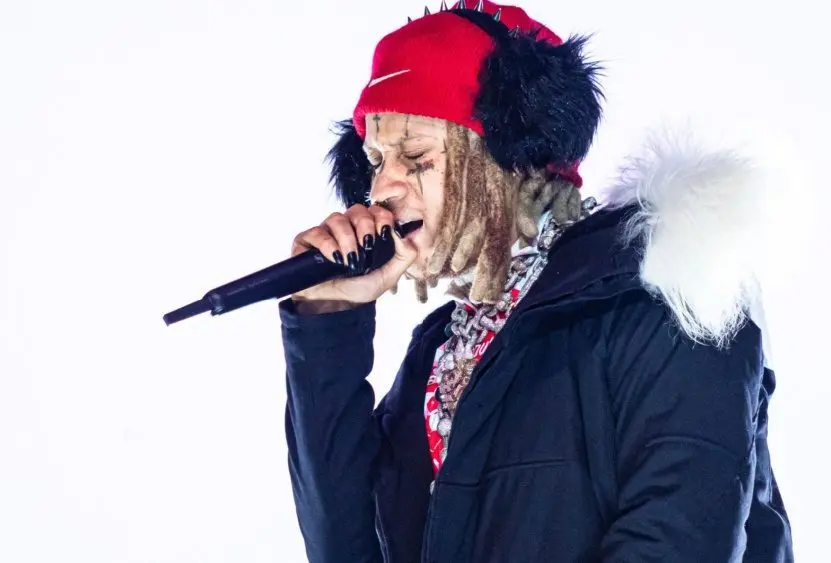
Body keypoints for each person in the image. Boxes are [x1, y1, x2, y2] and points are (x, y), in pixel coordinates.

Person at [278, 1, 794, 561]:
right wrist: (327, 322)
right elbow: (346, 549)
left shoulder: (662, 300)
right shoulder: (443, 349)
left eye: (416, 155)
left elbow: (678, 542)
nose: (382, 188)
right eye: (377, 160)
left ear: (510, 159)